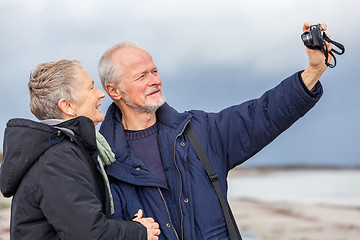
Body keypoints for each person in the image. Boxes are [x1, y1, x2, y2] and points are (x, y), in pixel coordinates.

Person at [97, 22, 331, 239]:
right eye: (141, 76)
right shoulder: (101, 161)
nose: (155, 80)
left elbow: (261, 114)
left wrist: (313, 71)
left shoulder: (198, 131)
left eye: (155, 71)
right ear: (114, 91)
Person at [0, 59, 161, 239]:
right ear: (67, 106)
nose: (101, 94)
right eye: (91, 88)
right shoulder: (57, 158)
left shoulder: (64, 151)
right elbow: (88, 234)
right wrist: (139, 232)